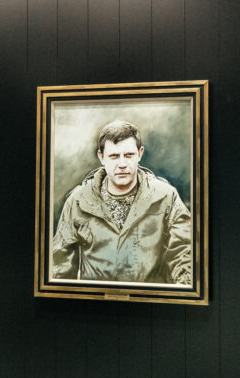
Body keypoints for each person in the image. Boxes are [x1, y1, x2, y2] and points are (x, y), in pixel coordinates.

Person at [52, 120, 192, 284]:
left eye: (129, 155)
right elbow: (59, 269)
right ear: (101, 157)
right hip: (95, 300)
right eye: (114, 156)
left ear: (140, 154)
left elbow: (184, 255)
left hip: (151, 299)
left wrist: (181, 294)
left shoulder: (166, 197)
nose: (122, 164)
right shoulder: (78, 200)